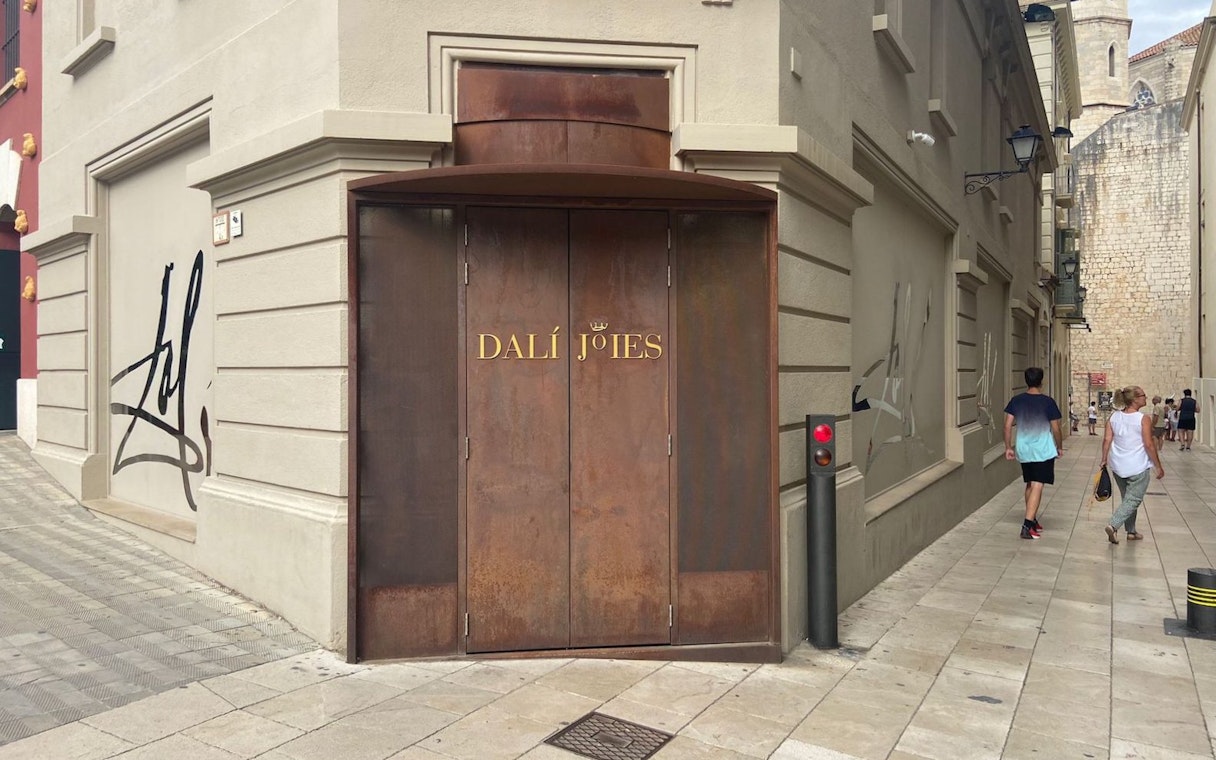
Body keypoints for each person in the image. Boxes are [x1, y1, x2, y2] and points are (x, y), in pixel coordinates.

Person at [1100, 385, 1165, 543]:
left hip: (1118, 465)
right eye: (1143, 395)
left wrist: (1104, 458)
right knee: (1134, 499)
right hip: (1137, 466)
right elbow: (1149, 444)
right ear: (1135, 399)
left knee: (1128, 498)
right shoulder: (1143, 419)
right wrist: (1158, 466)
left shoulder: (1114, 417)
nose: (1146, 397)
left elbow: (1107, 439)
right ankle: (1113, 525)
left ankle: (1131, 531)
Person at [1004, 367, 1063, 540]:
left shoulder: (1017, 400)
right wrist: (1059, 446)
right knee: (1038, 483)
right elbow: (1055, 427)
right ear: (1041, 381)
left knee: (1030, 483)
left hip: (1023, 448)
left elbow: (1007, 425)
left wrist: (1008, 447)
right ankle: (1027, 525)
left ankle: (1033, 517)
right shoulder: (1048, 402)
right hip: (1042, 450)